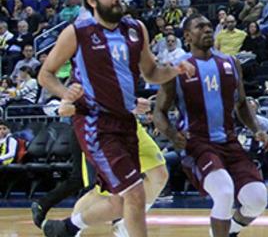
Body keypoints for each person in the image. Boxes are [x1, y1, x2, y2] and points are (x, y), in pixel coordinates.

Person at [37, 0, 190, 237]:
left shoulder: (135, 29)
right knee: (134, 192)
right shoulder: (77, 32)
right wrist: (65, 92)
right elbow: (45, 74)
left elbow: (151, 72)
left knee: (121, 201)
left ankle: (66, 229)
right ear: (92, 1)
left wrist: (175, 70)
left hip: (127, 122)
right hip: (95, 123)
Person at [152, 15, 268, 237]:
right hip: (197, 143)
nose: (207, 30)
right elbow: (158, 111)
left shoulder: (231, 63)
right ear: (187, 36)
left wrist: (257, 130)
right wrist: (171, 133)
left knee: (257, 199)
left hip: (229, 142)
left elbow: (242, 104)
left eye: (209, 26)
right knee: (224, 192)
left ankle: (227, 231)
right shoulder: (177, 69)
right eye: (200, 27)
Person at [37, 97, 169, 237]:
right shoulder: (86, 80)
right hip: (101, 129)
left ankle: (122, 223)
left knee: (159, 174)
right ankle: (70, 229)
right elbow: (66, 104)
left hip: (129, 124)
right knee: (106, 193)